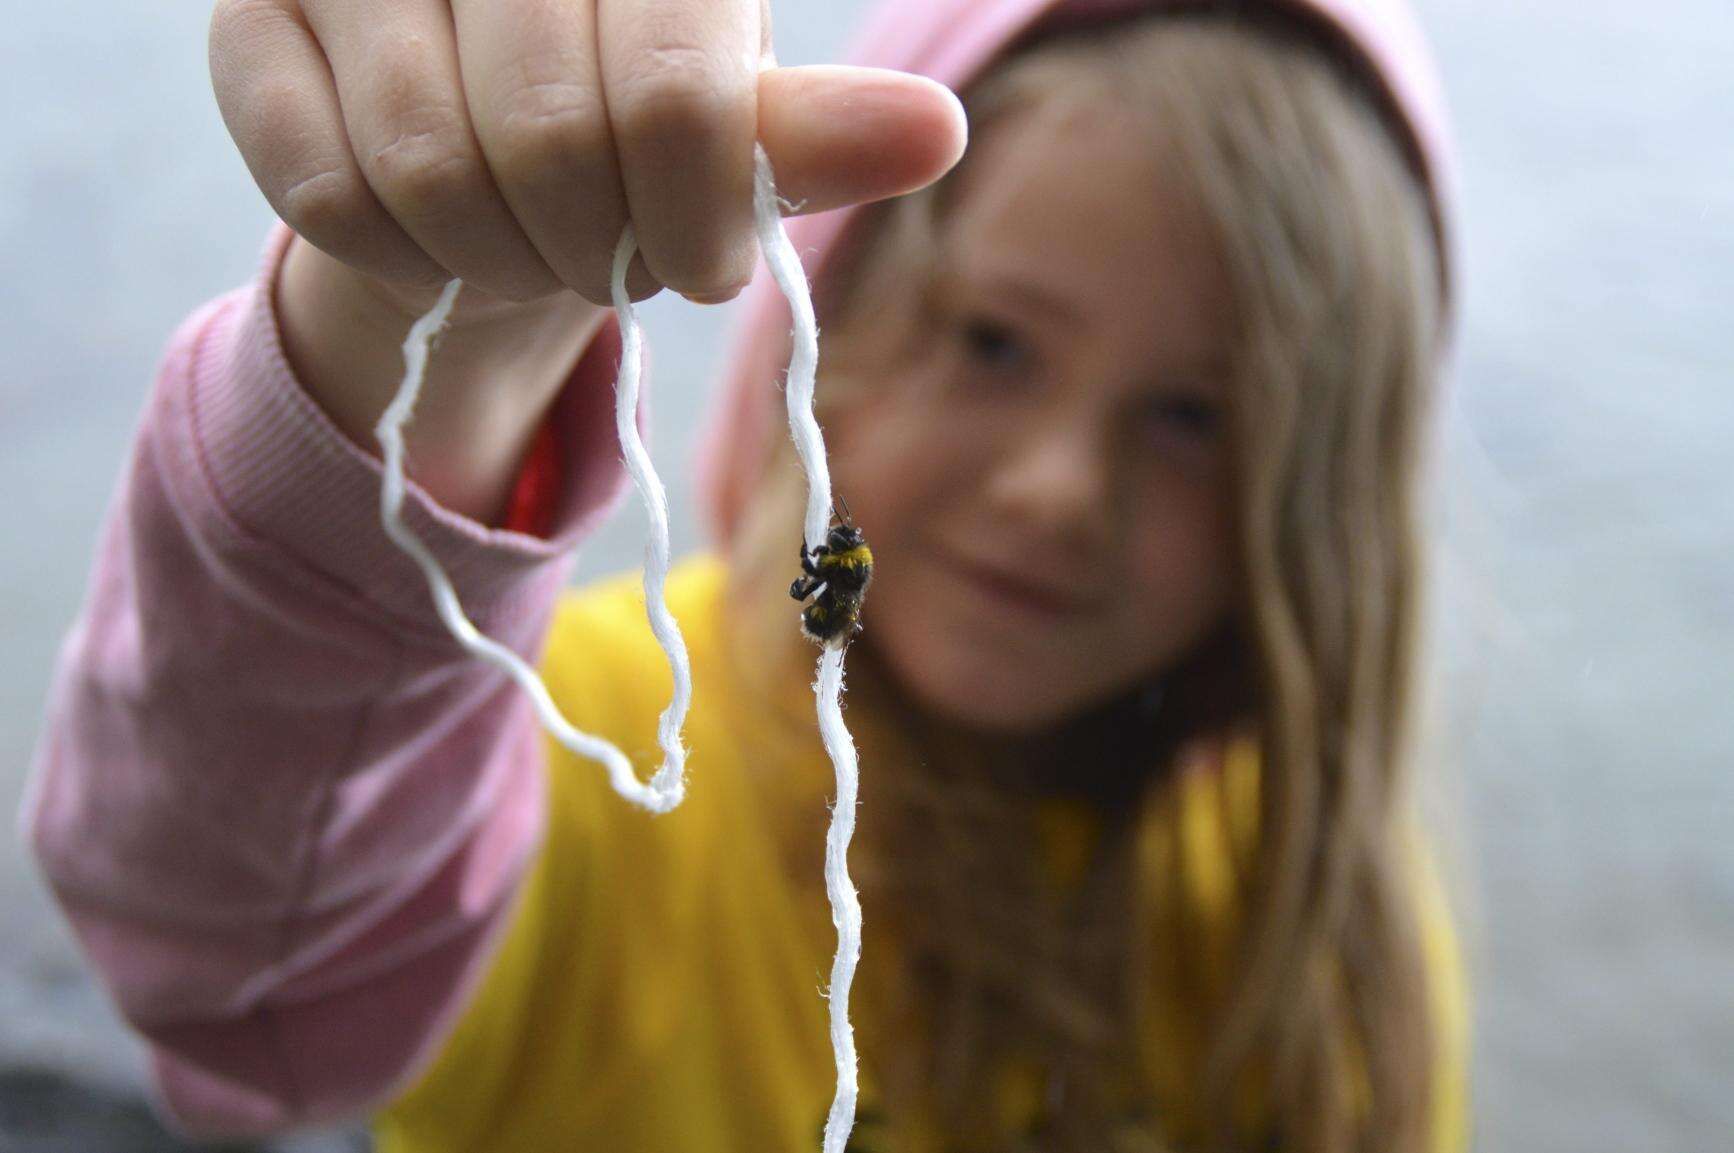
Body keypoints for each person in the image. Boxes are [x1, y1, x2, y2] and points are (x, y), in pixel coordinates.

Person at [18, 0, 1468, 1149]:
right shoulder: (596, 744)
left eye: (1193, 418)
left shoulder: (1305, 907)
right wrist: (426, 331)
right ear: (830, 323)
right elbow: (240, 968)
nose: (1056, 488)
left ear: (1316, 505)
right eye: (993, 343)